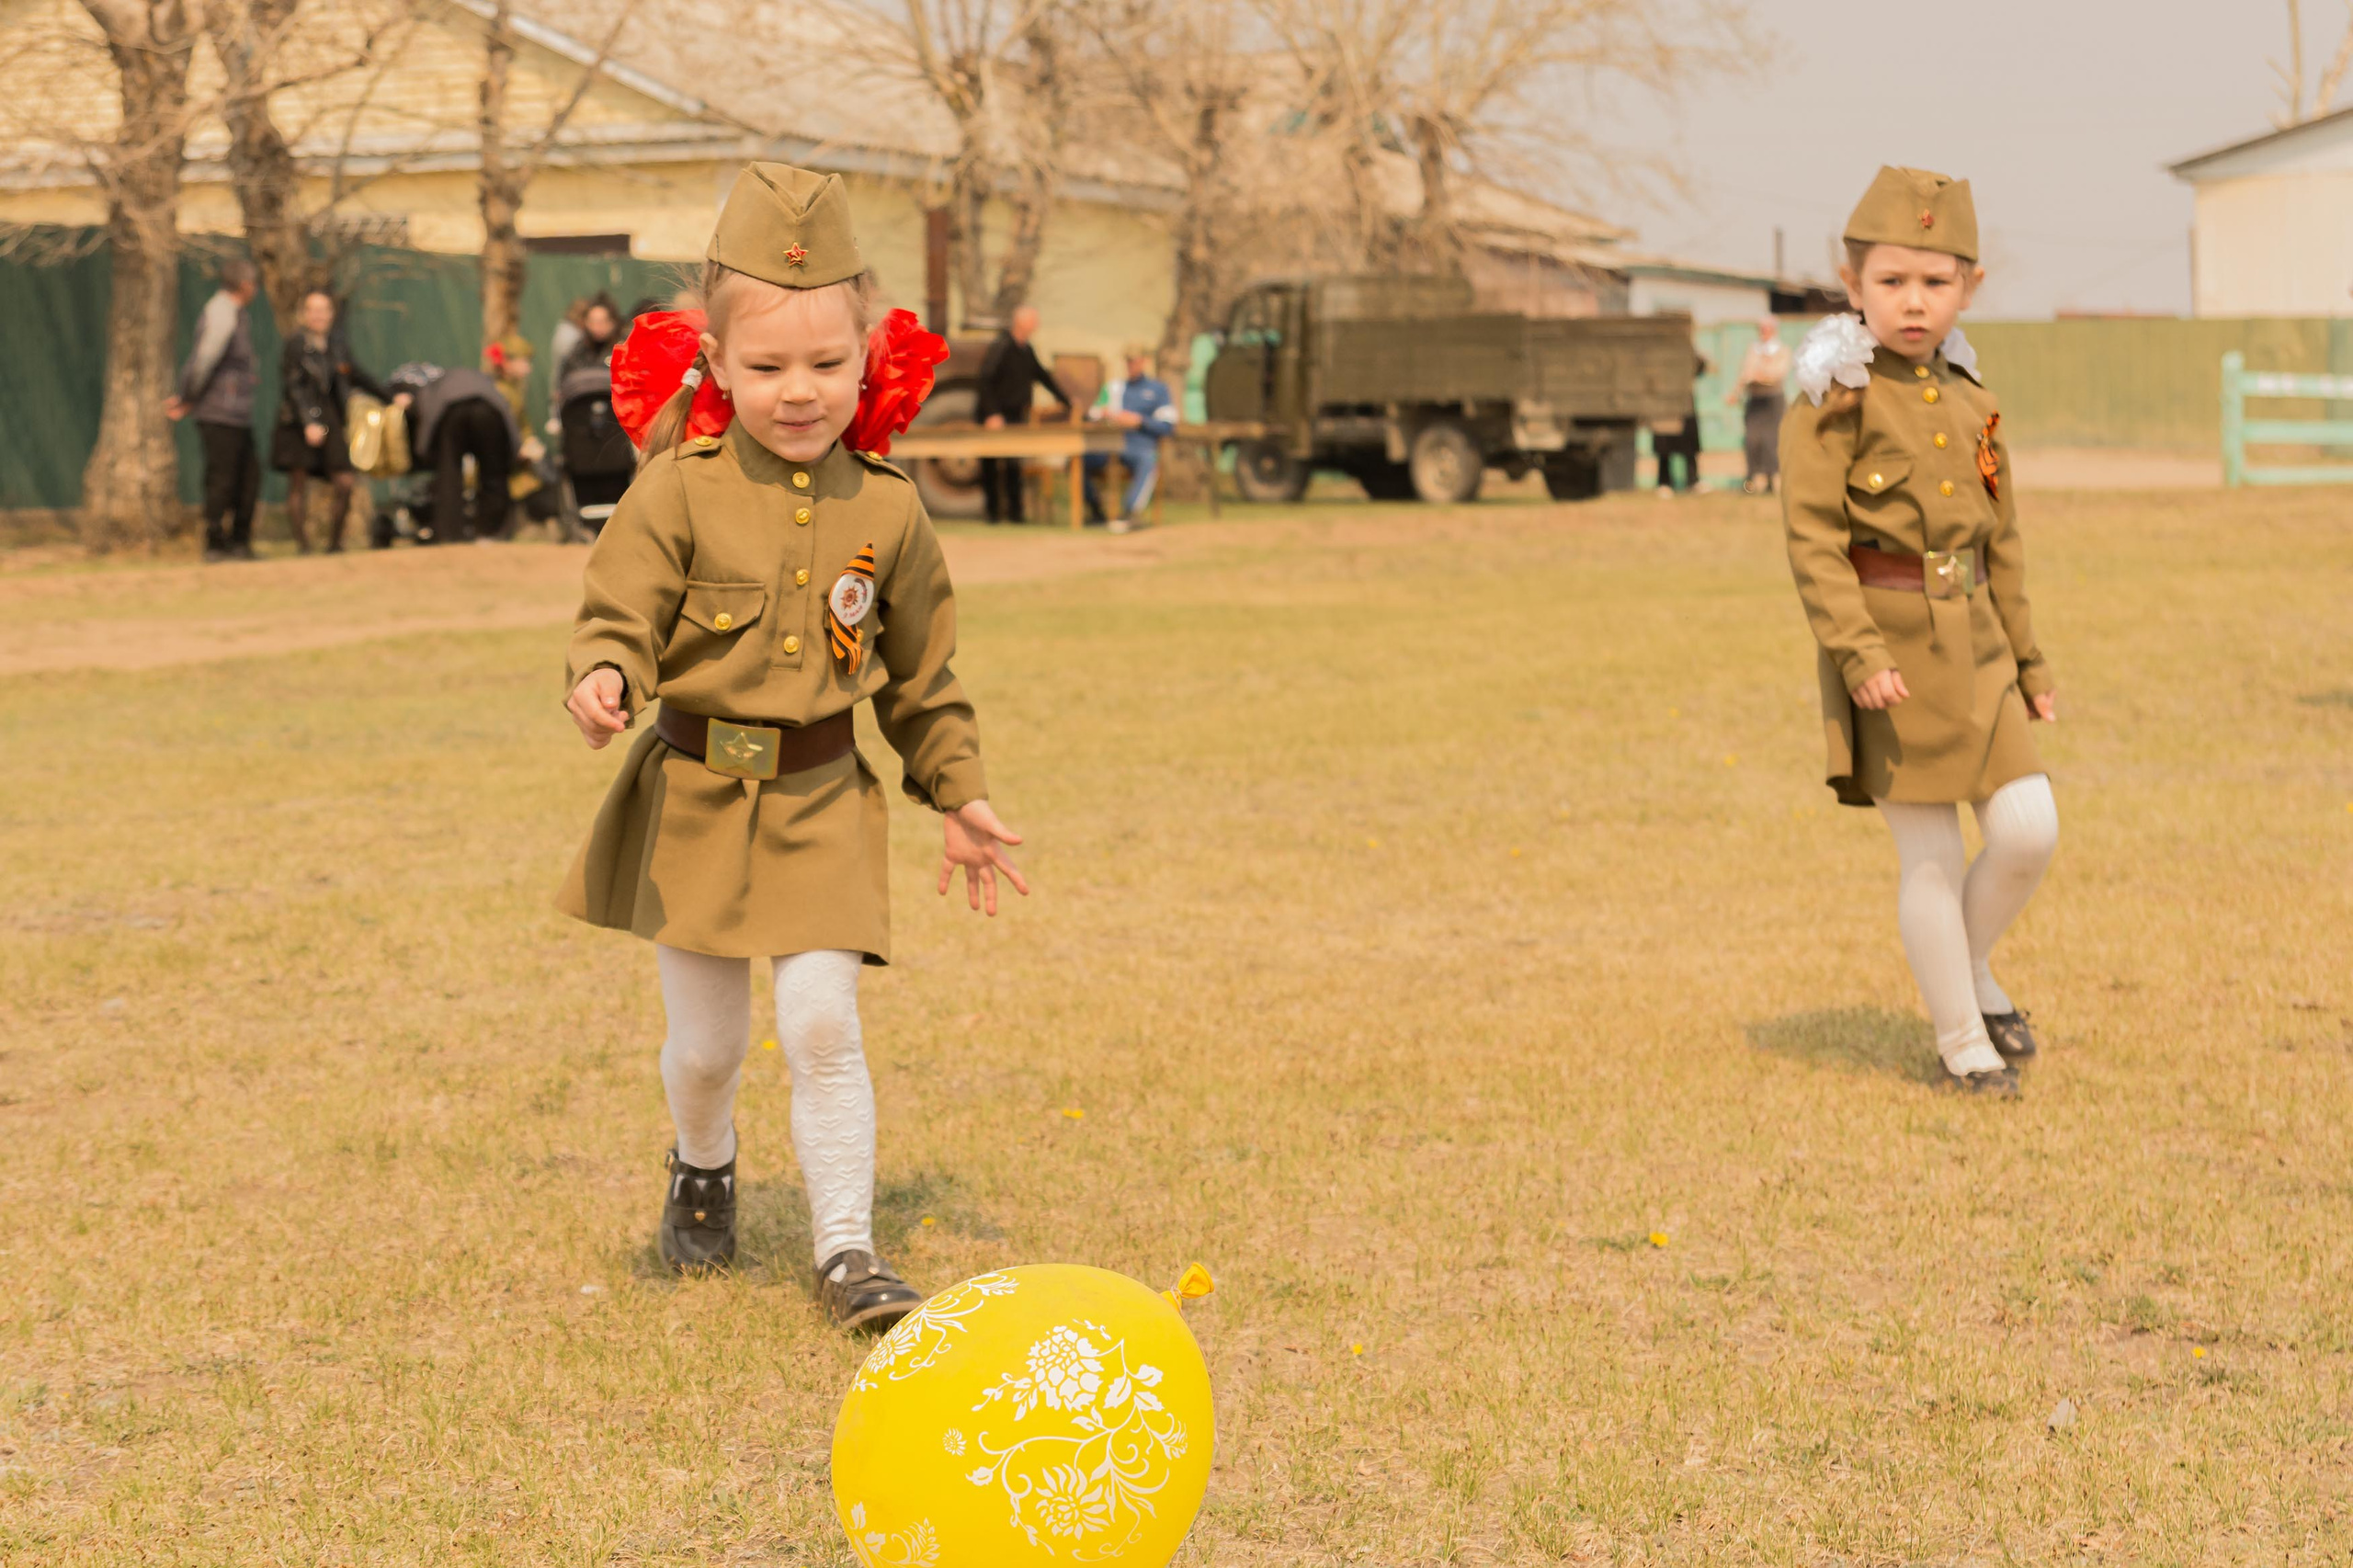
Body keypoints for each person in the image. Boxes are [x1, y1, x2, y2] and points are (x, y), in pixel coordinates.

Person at [558, 162, 1029, 1331]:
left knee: (821, 1023)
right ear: (717, 364)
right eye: (767, 368)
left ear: (867, 355)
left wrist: (958, 792)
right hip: (694, 799)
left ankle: (846, 1251)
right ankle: (702, 1164)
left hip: (822, 794)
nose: (799, 391)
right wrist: (605, 673)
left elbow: (921, 677)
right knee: (707, 1046)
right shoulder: (676, 488)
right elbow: (618, 610)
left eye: (825, 363)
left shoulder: (890, 507)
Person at [1780, 165, 2059, 1097]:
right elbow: (1814, 541)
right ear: (1851, 282)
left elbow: (2001, 541)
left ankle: (1969, 969)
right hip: (1890, 652)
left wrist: (2029, 662)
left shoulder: (1973, 399)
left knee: (2029, 829)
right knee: (1932, 855)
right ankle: (1961, 1040)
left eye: (1935, 282)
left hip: (1979, 647)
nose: (1912, 301)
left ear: (1968, 288)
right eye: (1891, 280)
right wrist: (1857, 653)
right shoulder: (1833, 396)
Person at [269, 288, 390, 553]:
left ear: (331, 313)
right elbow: (294, 387)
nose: (319, 316)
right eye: (313, 310)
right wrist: (309, 421)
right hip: (299, 421)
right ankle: (303, 546)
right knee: (298, 482)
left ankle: (335, 544)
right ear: (304, 314)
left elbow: (357, 375)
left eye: (323, 310)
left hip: (331, 419)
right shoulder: (296, 344)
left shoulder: (337, 345)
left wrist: (390, 398)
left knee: (345, 481)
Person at [165, 256, 262, 562]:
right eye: (254, 284)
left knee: (248, 476)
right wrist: (187, 397)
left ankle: (239, 542)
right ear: (244, 285)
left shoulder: (236, 313)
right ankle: (215, 543)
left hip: (236, 412)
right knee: (222, 478)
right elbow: (203, 361)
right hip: (220, 411)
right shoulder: (221, 313)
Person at [386, 359, 519, 542]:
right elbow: (505, 411)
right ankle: (492, 532)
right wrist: (515, 447)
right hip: (487, 411)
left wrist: (423, 449)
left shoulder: (435, 385)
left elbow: (428, 415)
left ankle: (450, 534)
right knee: (493, 472)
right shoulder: (482, 380)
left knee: (449, 474)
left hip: (452, 413)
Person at [973, 303, 1073, 524]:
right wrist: (992, 414)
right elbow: (985, 381)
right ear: (1021, 323)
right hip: (995, 416)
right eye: (1034, 321)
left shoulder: (1026, 349)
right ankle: (993, 514)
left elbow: (1042, 376)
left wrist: (1067, 401)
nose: (1037, 325)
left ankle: (1015, 513)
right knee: (991, 466)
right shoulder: (1002, 346)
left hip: (1015, 416)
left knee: (1013, 465)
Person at [1082, 344, 1178, 533]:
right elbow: (1092, 414)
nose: (1131, 365)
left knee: (1149, 461)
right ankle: (1096, 510)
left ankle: (1130, 512)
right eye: (1128, 361)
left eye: (1135, 361)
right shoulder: (1114, 388)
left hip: (1140, 446)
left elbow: (1168, 426)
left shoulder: (1159, 390)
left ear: (1144, 362)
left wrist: (1139, 421)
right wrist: (1105, 415)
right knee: (1077, 461)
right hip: (1110, 446)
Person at [1727, 316, 1790, 494]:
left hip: (1773, 399)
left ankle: (1771, 481)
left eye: (1767, 329)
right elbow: (1745, 373)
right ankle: (1750, 480)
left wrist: (1762, 374)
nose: (1764, 332)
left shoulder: (1781, 350)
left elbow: (1778, 373)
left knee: (1771, 441)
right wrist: (1736, 393)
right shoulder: (1754, 350)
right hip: (1755, 398)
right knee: (1752, 440)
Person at [1654, 348, 1708, 496]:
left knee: (1689, 443)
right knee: (1664, 445)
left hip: (1684, 401)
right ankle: (1664, 482)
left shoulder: (1686, 350)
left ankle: (1693, 481)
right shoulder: (1657, 352)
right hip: (1664, 402)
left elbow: (1700, 366)